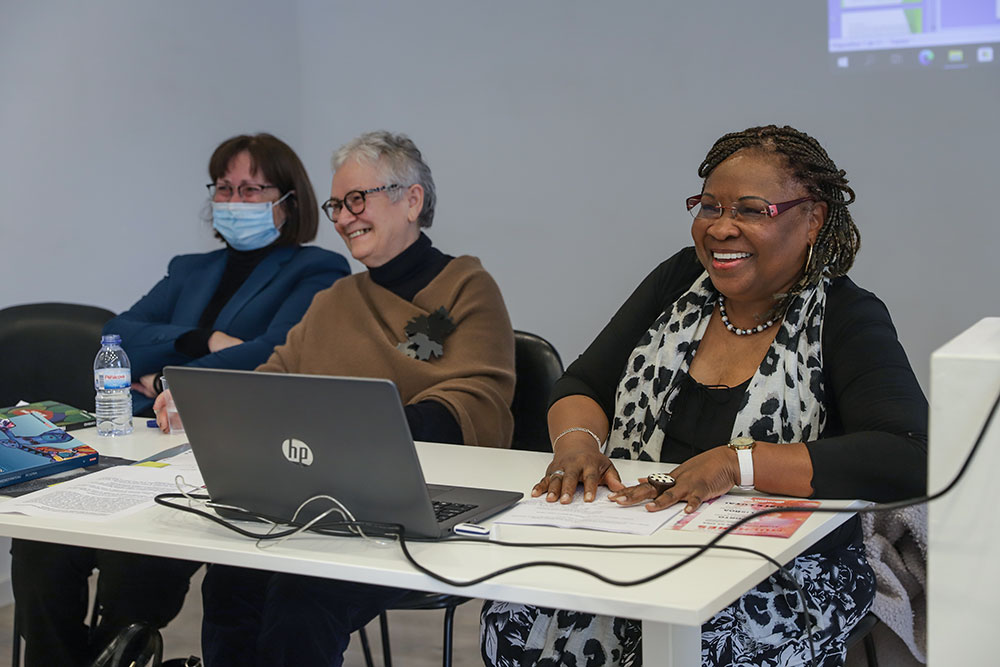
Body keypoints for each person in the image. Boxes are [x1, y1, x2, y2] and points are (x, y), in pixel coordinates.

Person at [480, 125, 928, 667]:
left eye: (750, 210)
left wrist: (735, 464)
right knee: (515, 612)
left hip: (780, 570)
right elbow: (584, 385)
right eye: (708, 206)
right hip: (640, 542)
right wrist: (576, 445)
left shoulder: (846, 315)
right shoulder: (679, 282)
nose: (720, 228)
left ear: (813, 219)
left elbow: (909, 453)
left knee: (705, 644)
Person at [10, 132, 350, 667]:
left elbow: (273, 352)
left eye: (252, 190)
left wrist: (165, 379)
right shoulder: (190, 267)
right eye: (224, 188)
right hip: (144, 437)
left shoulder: (318, 271)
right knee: (42, 542)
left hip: (222, 448)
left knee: (135, 560)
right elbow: (118, 333)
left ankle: (119, 648)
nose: (234, 201)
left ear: (288, 203)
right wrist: (202, 342)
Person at [190, 130, 516, 666]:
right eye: (338, 204)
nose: (343, 218)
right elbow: (272, 380)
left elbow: (474, 401)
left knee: (304, 597)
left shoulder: (466, 287)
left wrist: (363, 432)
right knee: (231, 577)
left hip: (412, 510)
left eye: (357, 200)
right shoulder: (334, 299)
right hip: (314, 499)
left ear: (412, 200)